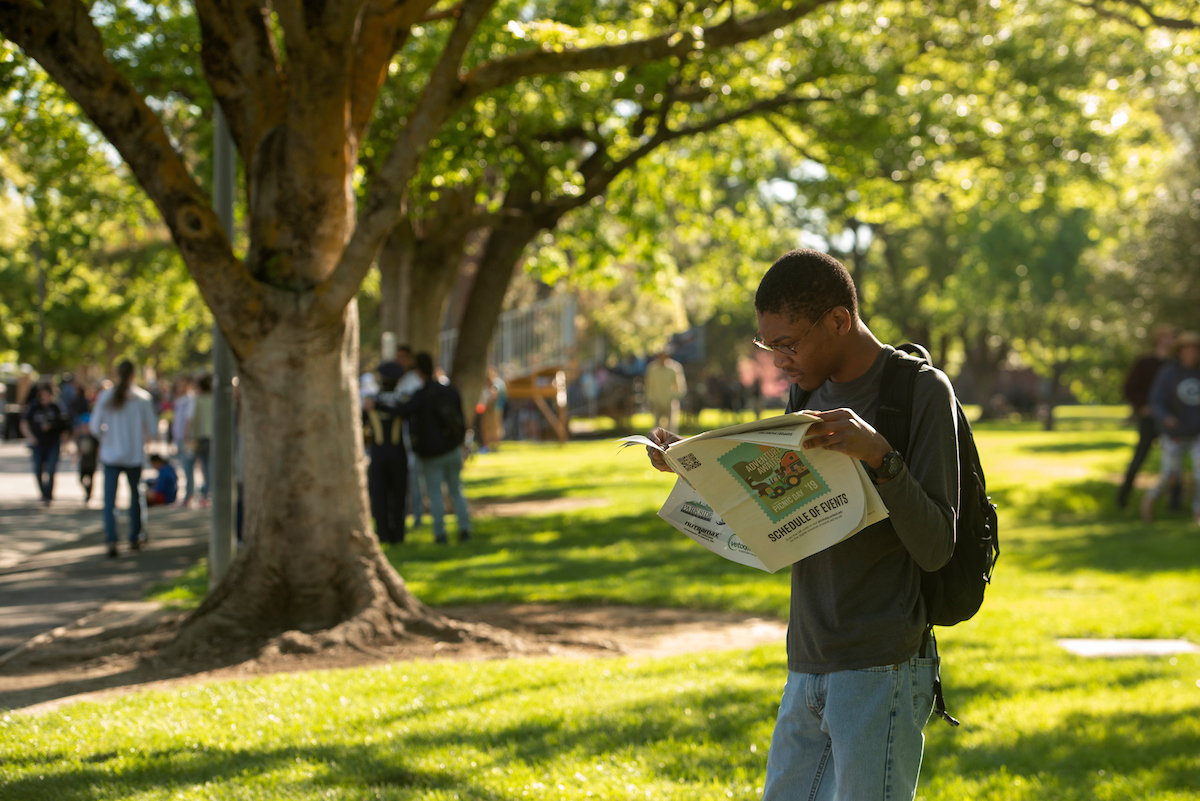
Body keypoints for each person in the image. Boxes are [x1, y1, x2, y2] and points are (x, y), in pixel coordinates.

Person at [646, 249, 957, 799]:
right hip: (807, 659)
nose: (779, 362)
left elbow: (937, 546)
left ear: (839, 320)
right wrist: (699, 469)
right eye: (769, 348)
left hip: (881, 662)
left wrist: (882, 458)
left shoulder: (920, 392)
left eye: (788, 344)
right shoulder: (807, 393)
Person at [398, 352, 471, 545]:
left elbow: (402, 412)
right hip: (452, 449)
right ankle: (464, 529)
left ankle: (440, 534)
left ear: (419, 372)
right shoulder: (450, 391)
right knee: (456, 489)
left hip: (432, 454)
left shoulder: (421, 395)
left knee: (435, 493)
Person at [91, 360, 158, 557]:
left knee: (110, 499)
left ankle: (111, 538)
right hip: (133, 455)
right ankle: (136, 535)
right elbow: (152, 429)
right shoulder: (141, 398)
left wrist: (108, 439)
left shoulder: (106, 397)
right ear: (133, 374)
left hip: (111, 455)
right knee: (135, 497)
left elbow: (95, 427)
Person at [1118, 325, 1180, 510]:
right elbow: (1129, 388)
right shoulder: (1145, 363)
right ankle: (1122, 498)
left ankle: (1174, 503)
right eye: (1169, 337)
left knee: (1174, 459)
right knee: (1140, 456)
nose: (1172, 341)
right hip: (1150, 419)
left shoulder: (1178, 365)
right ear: (1159, 339)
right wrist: (1143, 406)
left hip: (1171, 419)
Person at [1142, 330, 1200, 525]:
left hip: (1196, 432)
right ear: (1181, 351)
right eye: (1190, 349)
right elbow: (1156, 400)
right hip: (1175, 434)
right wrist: (1166, 418)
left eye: (1196, 349)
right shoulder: (1169, 372)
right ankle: (1150, 499)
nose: (1194, 353)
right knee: (1170, 477)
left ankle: (1197, 513)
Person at [364, 361, 410, 544]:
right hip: (398, 453)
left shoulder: (371, 401)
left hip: (378, 453)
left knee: (379, 495)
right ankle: (398, 534)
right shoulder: (402, 399)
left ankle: (382, 533)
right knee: (398, 495)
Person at [20, 382, 70, 506]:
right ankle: (43, 493)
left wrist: (65, 443)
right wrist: (31, 437)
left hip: (53, 442)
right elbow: (24, 422)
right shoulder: (34, 407)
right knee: (38, 469)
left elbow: (64, 425)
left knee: (51, 469)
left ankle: (48, 495)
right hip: (38, 443)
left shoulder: (56, 407)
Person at [188, 373, 214, 506]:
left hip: (200, 436)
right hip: (211, 437)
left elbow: (194, 420)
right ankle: (207, 493)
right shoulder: (213, 400)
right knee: (208, 465)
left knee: (200, 466)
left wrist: (190, 437)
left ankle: (203, 493)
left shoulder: (198, 401)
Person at [644, 351, 687, 431]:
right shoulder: (652, 368)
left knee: (671, 427)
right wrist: (652, 399)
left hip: (670, 401)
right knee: (656, 427)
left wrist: (674, 397)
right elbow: (649, 386)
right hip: (657, 401)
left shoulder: (674, 368)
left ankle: (672, 443)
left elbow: (680, 385)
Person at [172, 375, 197, 506]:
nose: (179, 387)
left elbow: (189, 419)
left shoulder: (190, 400)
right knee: (184, 467)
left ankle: (189, 495)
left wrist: (187, 436)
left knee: (188, 467)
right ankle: (188, 494)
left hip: (186, 439)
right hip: (180, 438)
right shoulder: (180, 400)